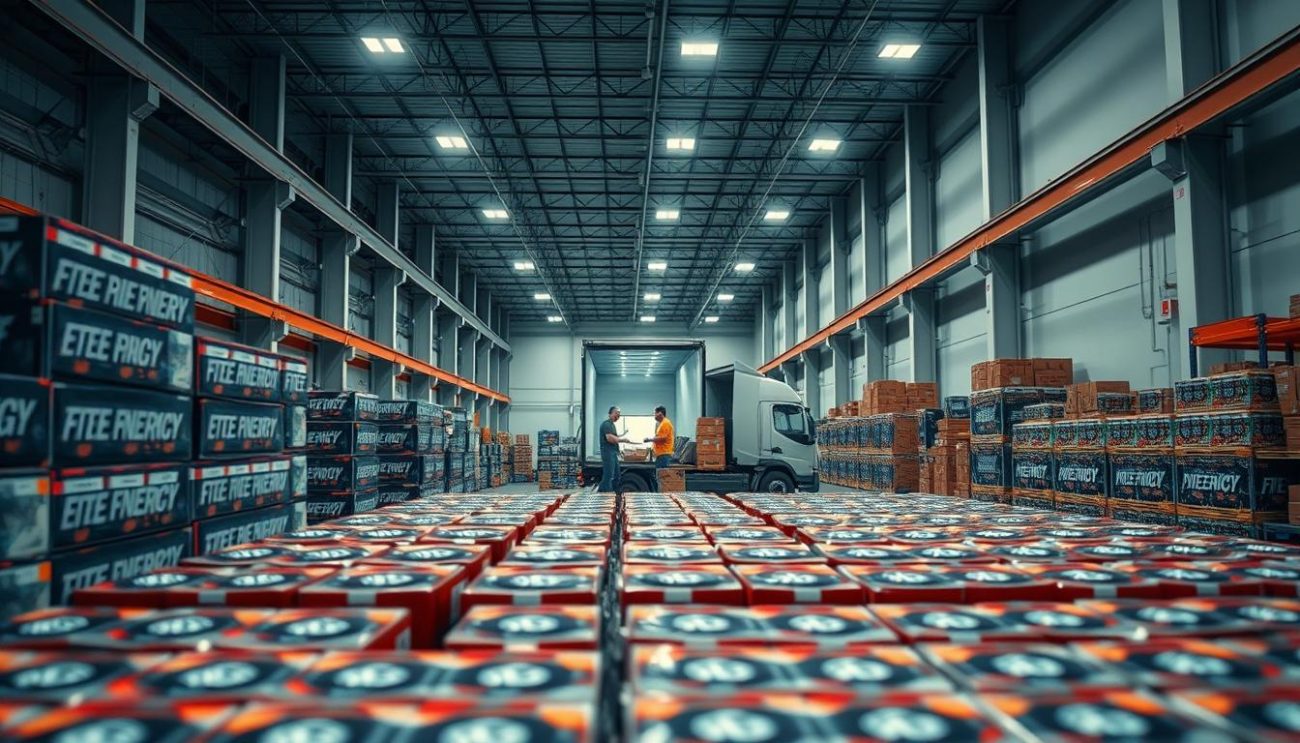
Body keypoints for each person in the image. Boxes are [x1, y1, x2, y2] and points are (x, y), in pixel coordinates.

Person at [598, 406, 632, 493]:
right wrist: (623, 440)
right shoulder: (606, 424)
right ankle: (605, 494)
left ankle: (614, 493)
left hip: (613, 453)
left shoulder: (612, 425)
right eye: (616, 413)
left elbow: (614, 436)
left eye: (619, 414)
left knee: (617, 475)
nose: (618, 415)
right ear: (610, 414)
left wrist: (623, 434)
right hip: (608, 452)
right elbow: (609, 438)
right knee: (609, 475)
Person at [645, 405, 675, 492]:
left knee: (661, 478)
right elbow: (660, 437)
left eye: (655, 413)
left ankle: (662, 496)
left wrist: (649, 439)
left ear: (660, 413)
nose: (654, 415)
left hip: (664, 455)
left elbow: (663, 438)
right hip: (661, 455)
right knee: (659, 477)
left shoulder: (665, 423)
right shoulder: (662, 424)